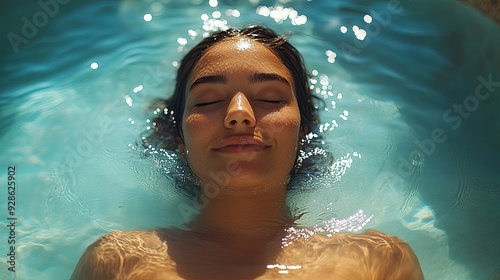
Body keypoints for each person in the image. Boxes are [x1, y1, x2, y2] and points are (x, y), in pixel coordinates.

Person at [71, 25, 424, 280]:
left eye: (270, 98)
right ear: (179, 136)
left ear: (302, 130)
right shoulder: (114, 264)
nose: (239, 113)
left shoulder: (381, 263)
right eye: (208, 101)